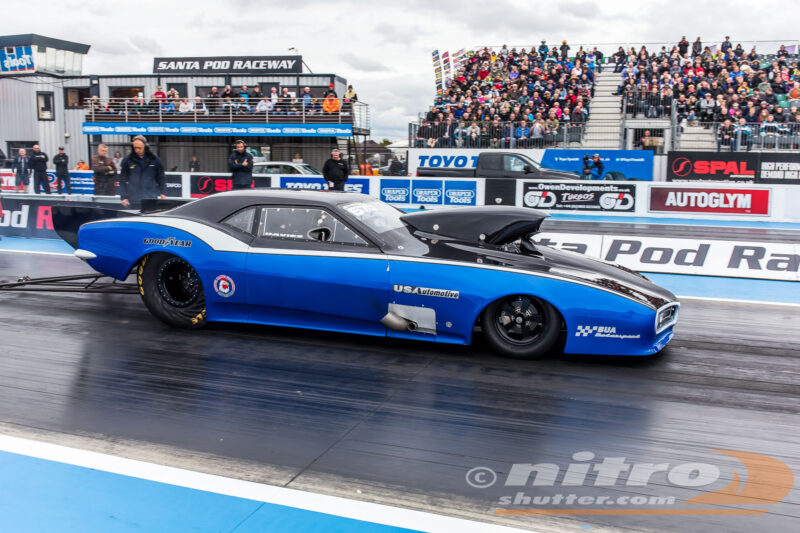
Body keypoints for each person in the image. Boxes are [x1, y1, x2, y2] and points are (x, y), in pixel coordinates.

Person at [119, 136, 166, 208]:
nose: (137, 150)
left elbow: (161, 177)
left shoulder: (154, 159)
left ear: (145, 146)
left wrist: (163, 192)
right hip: (134, 200)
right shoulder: (127, 160)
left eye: (139, 148)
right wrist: (123, 197)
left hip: (151, 198)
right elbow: (122, 180)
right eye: (135, 148)